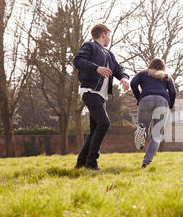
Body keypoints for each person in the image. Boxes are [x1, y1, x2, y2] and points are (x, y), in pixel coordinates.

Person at [73, 24, 130, 170]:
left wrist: (123, 78)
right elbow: (78, 61)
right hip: (90, 91)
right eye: (108, 35)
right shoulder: (90, 46)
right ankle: (91, 162)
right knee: (104, 123)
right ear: (103, 34)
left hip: (101, 96)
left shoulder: (109, 54)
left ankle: (81, 163)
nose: (109, 38)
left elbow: (118, 69)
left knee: (95, 129)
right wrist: (96, 68)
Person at [131, 58, 176, 168]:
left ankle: (142, 132)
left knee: (142, 126)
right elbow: (173, 92)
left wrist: (139, 98)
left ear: (150, 65)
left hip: (145, 100)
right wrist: (170, 106)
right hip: (162, 102)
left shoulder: (143, 73)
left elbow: (133, 83)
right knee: (156, 135)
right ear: (163, 67)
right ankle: (146, 162)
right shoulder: (166, 76)